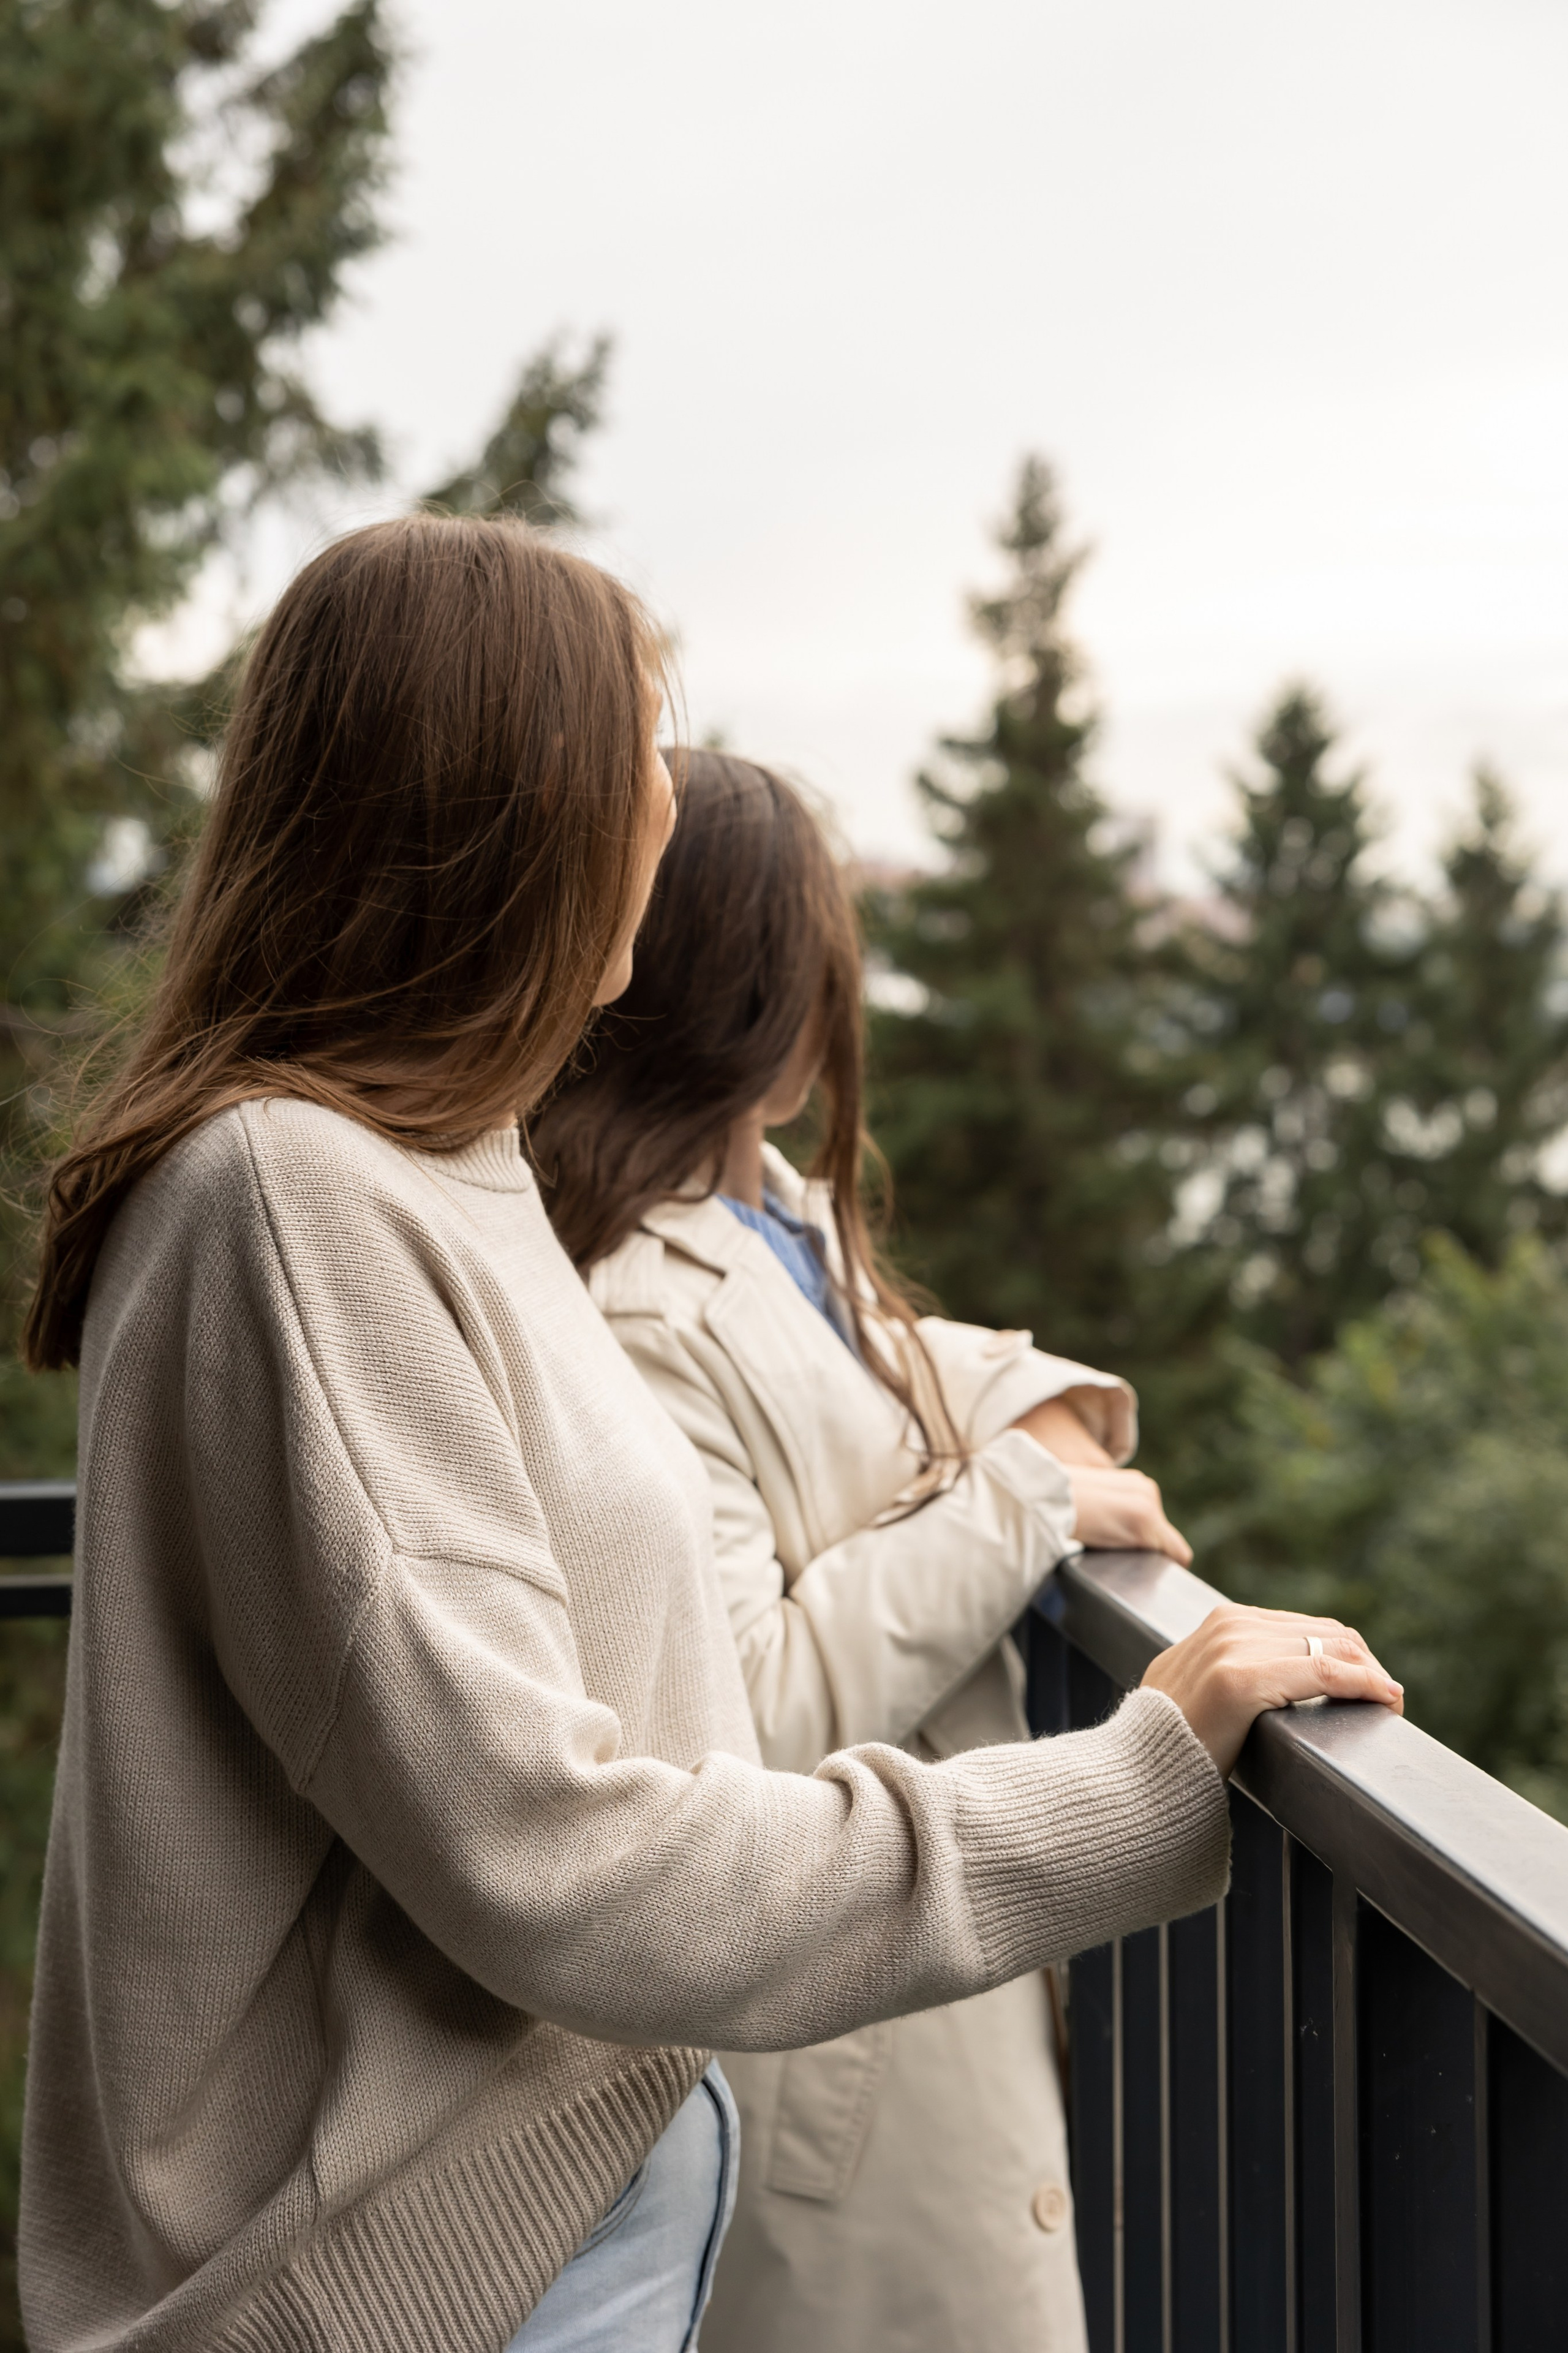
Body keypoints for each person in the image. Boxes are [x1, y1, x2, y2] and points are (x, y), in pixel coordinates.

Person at [18, 519, 1401, 2353]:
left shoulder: (449, 1179)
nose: (666, 819)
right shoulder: (295, 1207)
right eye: (637, 760)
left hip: (573, 2255)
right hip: (402, 2300)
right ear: (511, 815)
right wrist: (1135, 1779)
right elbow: (559, 1856)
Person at [527, 751, 1355, 2352]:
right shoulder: (631, 1302)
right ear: (774, 991)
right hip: (828, 2060)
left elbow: (939, 1364)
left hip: (913, 2012)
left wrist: (1029, 1427)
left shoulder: (784, 1220)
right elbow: (743, 1707)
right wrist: (1026, 1508)